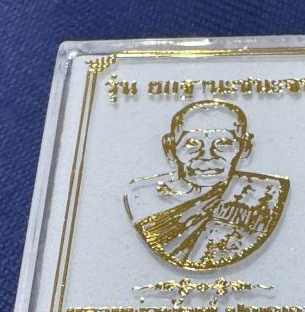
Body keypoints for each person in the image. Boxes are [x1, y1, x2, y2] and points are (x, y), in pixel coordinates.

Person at [124, 99, 289, 270]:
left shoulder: (266, 193)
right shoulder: (142, 197)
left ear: (245, 147)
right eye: (192, 144)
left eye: (223, 143)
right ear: (170, 147)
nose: (207, 156)